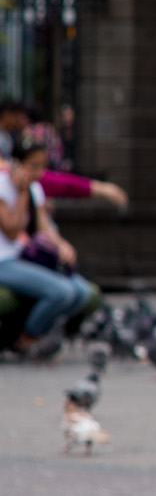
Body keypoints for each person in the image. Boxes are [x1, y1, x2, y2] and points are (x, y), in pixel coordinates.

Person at [0, 142, 94, 351]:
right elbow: (12, 231)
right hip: (4, 260)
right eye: (33, 166)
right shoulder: (3, 185)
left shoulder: (35, 187)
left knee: (81, 292)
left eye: (42, 166)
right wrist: (22, 193)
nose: (39, 172)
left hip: (25, 258)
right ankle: (25, 338)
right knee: (61, 292)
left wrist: (62, 245)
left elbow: (44, 228)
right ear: (17, 164)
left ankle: (39, 334)